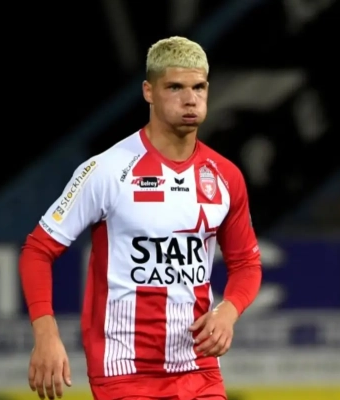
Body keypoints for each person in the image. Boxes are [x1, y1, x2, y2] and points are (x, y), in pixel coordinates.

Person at [18, 36, 262, 400]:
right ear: (149, 91)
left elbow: (246, 263)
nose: (190, 99)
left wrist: (228, 310)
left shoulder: (225, 176)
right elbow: (37, 251)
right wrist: (46, 334)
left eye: (198, 87)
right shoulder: (107, 170)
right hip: (124, 372)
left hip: (199, 369)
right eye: (175, 87)